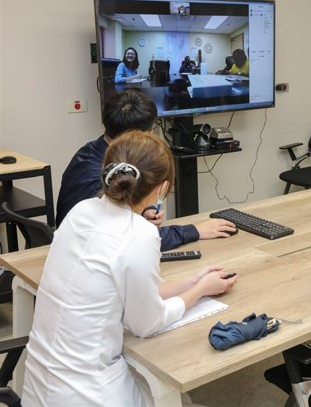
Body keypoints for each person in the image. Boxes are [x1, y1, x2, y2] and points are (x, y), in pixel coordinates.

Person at [23, 130, 238, 406]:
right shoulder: (140, 234)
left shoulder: (82, 211)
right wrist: (198, 293)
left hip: (39, 384)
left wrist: (193, 282)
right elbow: (147, 323)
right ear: (162, 188)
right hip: (87, 393)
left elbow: (119, 290)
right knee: (180, 397)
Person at [55, 90, 236, 251]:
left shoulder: (90, 151)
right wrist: (195, 230)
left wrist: (140, 212)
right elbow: (132, 239)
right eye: (151, 130)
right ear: (138, 137)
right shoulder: (103, 179)